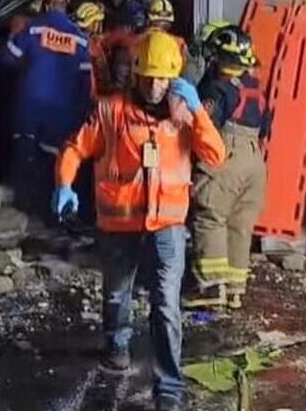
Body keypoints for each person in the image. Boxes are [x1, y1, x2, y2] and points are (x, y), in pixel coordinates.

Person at [51, 31, 226, 411]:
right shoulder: (110, 111)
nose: (155, 86)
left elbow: (215, 156)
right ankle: (116, 347)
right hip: (120, 225)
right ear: (135, 73)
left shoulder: (183, 114)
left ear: (174, 77)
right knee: (117, 293)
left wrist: (197, 111)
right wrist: (64, 183)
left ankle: (169, 388)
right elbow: (75, 148)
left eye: (163, 79)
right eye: (148, 77)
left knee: (166, 305)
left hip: (167, 226)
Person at [0, 0, 91, 218]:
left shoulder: (34, 29)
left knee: (25, 158)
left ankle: (23, 214)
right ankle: (53, 215)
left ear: (47, 4)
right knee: (57, 161)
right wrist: (80, 114)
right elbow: (86, 83)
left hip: (30, 107)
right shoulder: (81, 39)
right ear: (64, 5)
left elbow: (8, 56)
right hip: (62, 113)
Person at [184, 25, 269, 310]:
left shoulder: (215, 87)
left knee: (210, 217)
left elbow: (205, 125)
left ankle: (210, 288)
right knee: (239, 224)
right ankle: (234, 290)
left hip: (227, 154)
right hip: (255, 160)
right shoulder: (255, 87)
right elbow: (266, 127)